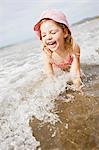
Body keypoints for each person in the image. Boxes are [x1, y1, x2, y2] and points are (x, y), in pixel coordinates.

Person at [33, 9, 83, 90]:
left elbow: (75, 74)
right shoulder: (48, 55)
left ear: (65, 32)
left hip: (69, 66)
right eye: (44, 35)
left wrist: (79, 89)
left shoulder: (73, 48)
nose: (48, 37)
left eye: (53, 32)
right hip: (57, 69)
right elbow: (50, 77)